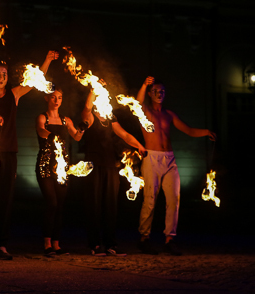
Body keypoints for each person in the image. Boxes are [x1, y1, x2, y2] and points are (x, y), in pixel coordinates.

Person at [0, 51, 58, 260]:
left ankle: (1, 245)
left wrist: (46, 60)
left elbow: (36, 81)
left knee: (5, 200)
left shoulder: (14, 94)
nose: (1, 77)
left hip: (9, 153)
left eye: (4, 74)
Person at [136, 76, 216, 256]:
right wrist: (143, 85)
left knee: (174, 199)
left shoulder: (169, 114)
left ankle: (169, 239)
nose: (160, 94)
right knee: (150, 199)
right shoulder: (145, 111)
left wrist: (206, 132)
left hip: (169, 159)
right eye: (156, 91)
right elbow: (137, 101)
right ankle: (144, 238)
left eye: (162, 91)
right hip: (151, 157)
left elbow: (188, 130)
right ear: (150, 94)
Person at [81, 87, 147, 257]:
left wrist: (138, 145)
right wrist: (94, 87)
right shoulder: (89, 116)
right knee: (94, 205)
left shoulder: (111, 119)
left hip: (111, 165)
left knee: (110, 206)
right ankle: (95, 244)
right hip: (93, 166)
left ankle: (111, 244)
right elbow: (87, 107)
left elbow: (124, 135)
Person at [35, 87, 84, 257]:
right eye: (54, 97)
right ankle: (47, 243)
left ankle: (56, 244)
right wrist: (50, 135)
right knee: (52, 203)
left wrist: (82, 128)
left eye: (60, 98)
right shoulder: (43, 117)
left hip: (62, 168)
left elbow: (76, 136)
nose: (57, 101)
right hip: (45, 165)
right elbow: (41, 130)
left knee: (60, 206)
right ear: (47, 98)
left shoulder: (65, 120)